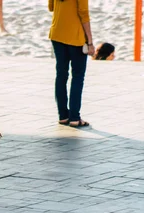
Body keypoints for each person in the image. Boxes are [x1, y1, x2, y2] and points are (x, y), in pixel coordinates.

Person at [48, 0, 93, 128]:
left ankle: (63, 116)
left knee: (61, 75)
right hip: (76, 37)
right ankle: (74, 117)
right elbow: (83, 13)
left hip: (57, 34)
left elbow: (51, 7)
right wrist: (90, 41)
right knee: (78, 77)